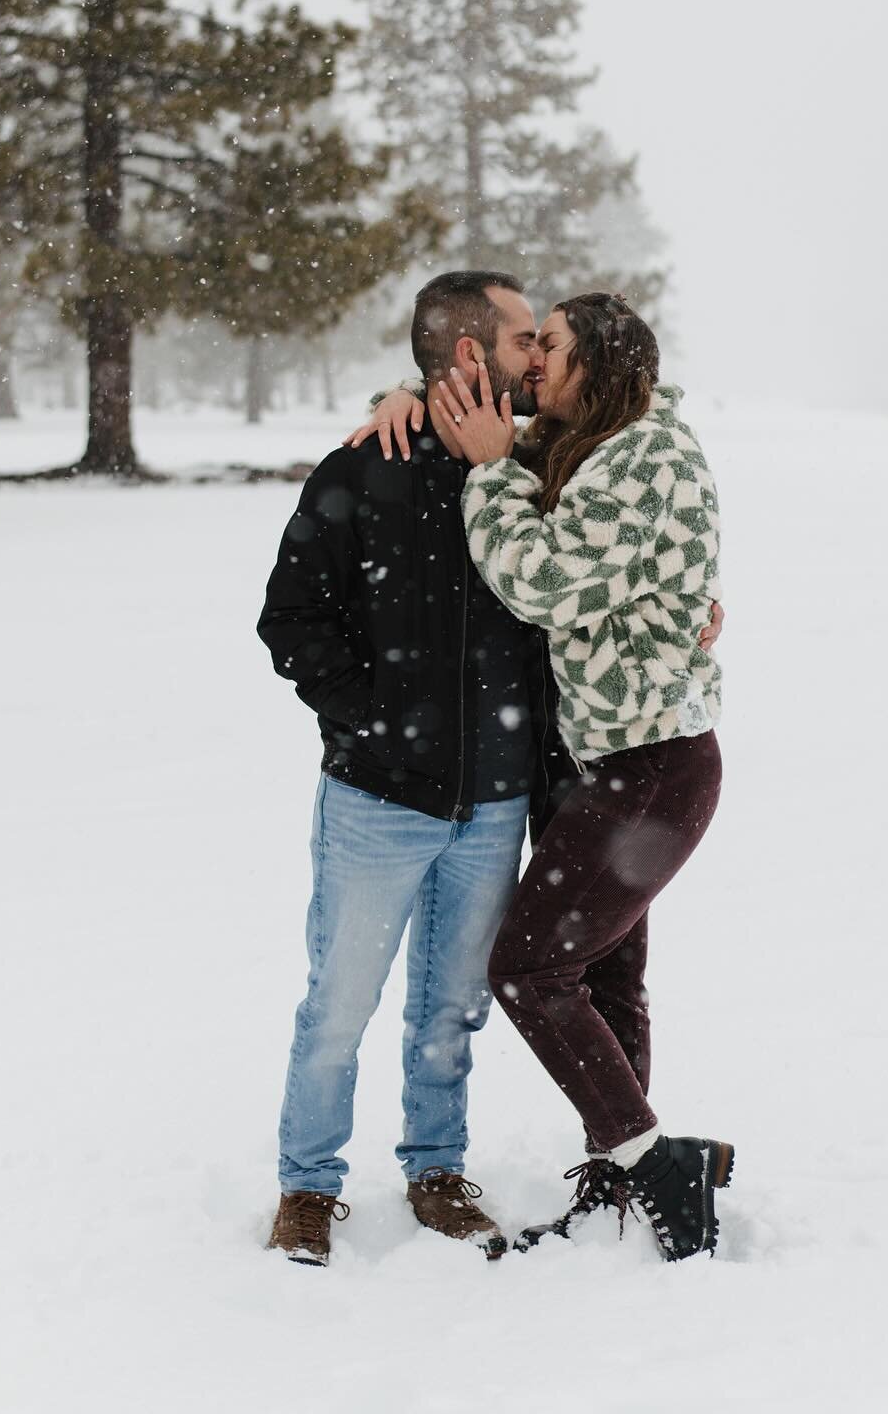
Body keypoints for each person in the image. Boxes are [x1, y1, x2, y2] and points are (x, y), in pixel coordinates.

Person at [256, 271, 571, 1266]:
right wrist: (375, 719)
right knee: (339, 1005)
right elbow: (290, 619)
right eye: (527, 338)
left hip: (495, 800)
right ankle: (307, 1187)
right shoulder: (361, 471)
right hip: (377, 801)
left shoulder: (537, 466)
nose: (540, 356)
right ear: (473, 355)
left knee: (451, 1004)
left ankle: (436, 1170)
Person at [423, 292, 733, 1262]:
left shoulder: (644, 457)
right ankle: (621, 1182)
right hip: (633, 759)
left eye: (549, 347)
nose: (534, 367)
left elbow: (543, 582)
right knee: (608, 978)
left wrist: (482, 473)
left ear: (597, 356)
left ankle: (653, 1163)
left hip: (650, 767)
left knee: (527, 967)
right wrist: (413, 407)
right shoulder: (609, 443)